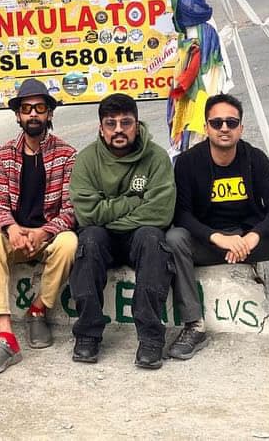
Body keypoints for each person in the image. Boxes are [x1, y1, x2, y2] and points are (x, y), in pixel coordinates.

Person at [165, 93, 269, 366]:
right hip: (209, 243)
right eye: (217, 123)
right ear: (206, 127)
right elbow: (181, 213)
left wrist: (253, 237)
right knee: (174, 238)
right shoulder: (187, 163)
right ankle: (193, 325)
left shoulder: (255, 159)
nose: (224, 128)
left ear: (241, 127)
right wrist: (218, 238)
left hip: (250, 242)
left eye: (231, 122)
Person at [0, 79, 78, 375]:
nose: (33, 114)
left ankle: (38, 309)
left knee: (70, 242)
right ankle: (6, 336)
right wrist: (12, 229)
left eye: (40, 108)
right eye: (26, 108)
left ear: (50, 113)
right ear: (18, 115)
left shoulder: (67, 154)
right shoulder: (5, 154)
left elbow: (71, 209)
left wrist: (44, 232)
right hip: (15, 237)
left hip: (48, 238)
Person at [68, 93, 175, 369]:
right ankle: (88, 334)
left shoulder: (156, 157)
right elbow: (86, 214)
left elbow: (160, 212)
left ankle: (151, 338)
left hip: (138, 237)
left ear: (136, 125)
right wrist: (134, 202)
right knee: (89, 239)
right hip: (102, 238)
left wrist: (108, 213)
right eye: (111, 123)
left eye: (125, 123)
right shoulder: (87, 159)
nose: (118, 129)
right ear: (101, 129)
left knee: (153, 238)